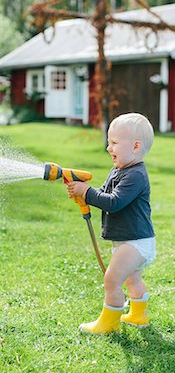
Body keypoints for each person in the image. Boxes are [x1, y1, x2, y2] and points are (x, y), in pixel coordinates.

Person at [67, 113, 156, 334]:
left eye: (114, 143)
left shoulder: (135, 175)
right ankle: (138, 315)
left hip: (135, 242)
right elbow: (105, 194)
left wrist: (87, 193)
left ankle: (108, 324)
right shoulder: (120, 170)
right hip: (131, 239)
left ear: (135, 146)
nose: (109, 148)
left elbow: (114, 203)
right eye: (109, 142)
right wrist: (87, 193)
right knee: (132, 278)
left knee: (112, 279)